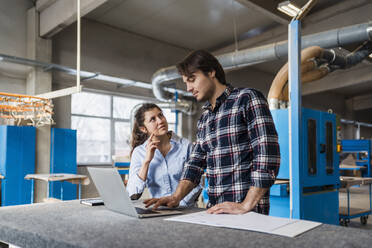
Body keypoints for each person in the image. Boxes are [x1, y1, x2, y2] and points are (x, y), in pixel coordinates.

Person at [145, 50, 280, 215]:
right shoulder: (204, 119)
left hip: (246, 214)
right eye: (186, 83)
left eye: (192, 80)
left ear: (211, 72)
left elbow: (267, 155)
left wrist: (246, 205)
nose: (188, 88)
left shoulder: (247, 99)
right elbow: (195, 163)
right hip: (214, 211)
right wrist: (176, 197)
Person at [126, 103, 202, 207]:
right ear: (143, 128)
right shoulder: (139, 153)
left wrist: (177, 202)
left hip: (186, 210)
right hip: (157, 211)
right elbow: (132, 193)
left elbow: (196, 183)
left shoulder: (185, 146)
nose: (160, 121)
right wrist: (147, 161)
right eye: (153, 119)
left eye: (160, 115)